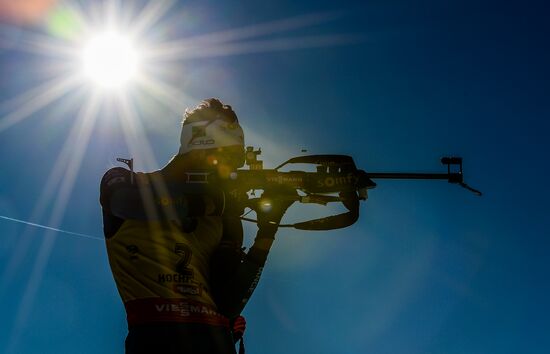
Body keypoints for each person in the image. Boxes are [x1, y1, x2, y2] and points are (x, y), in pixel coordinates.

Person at [100, 98, 293, 354]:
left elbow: (227, 304)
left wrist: (267, 232)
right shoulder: (129, 182)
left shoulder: (222, 214)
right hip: (155, 339)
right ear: (201, 148)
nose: (229, 171)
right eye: (226, 159)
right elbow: (125, 203)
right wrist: (212, 204)